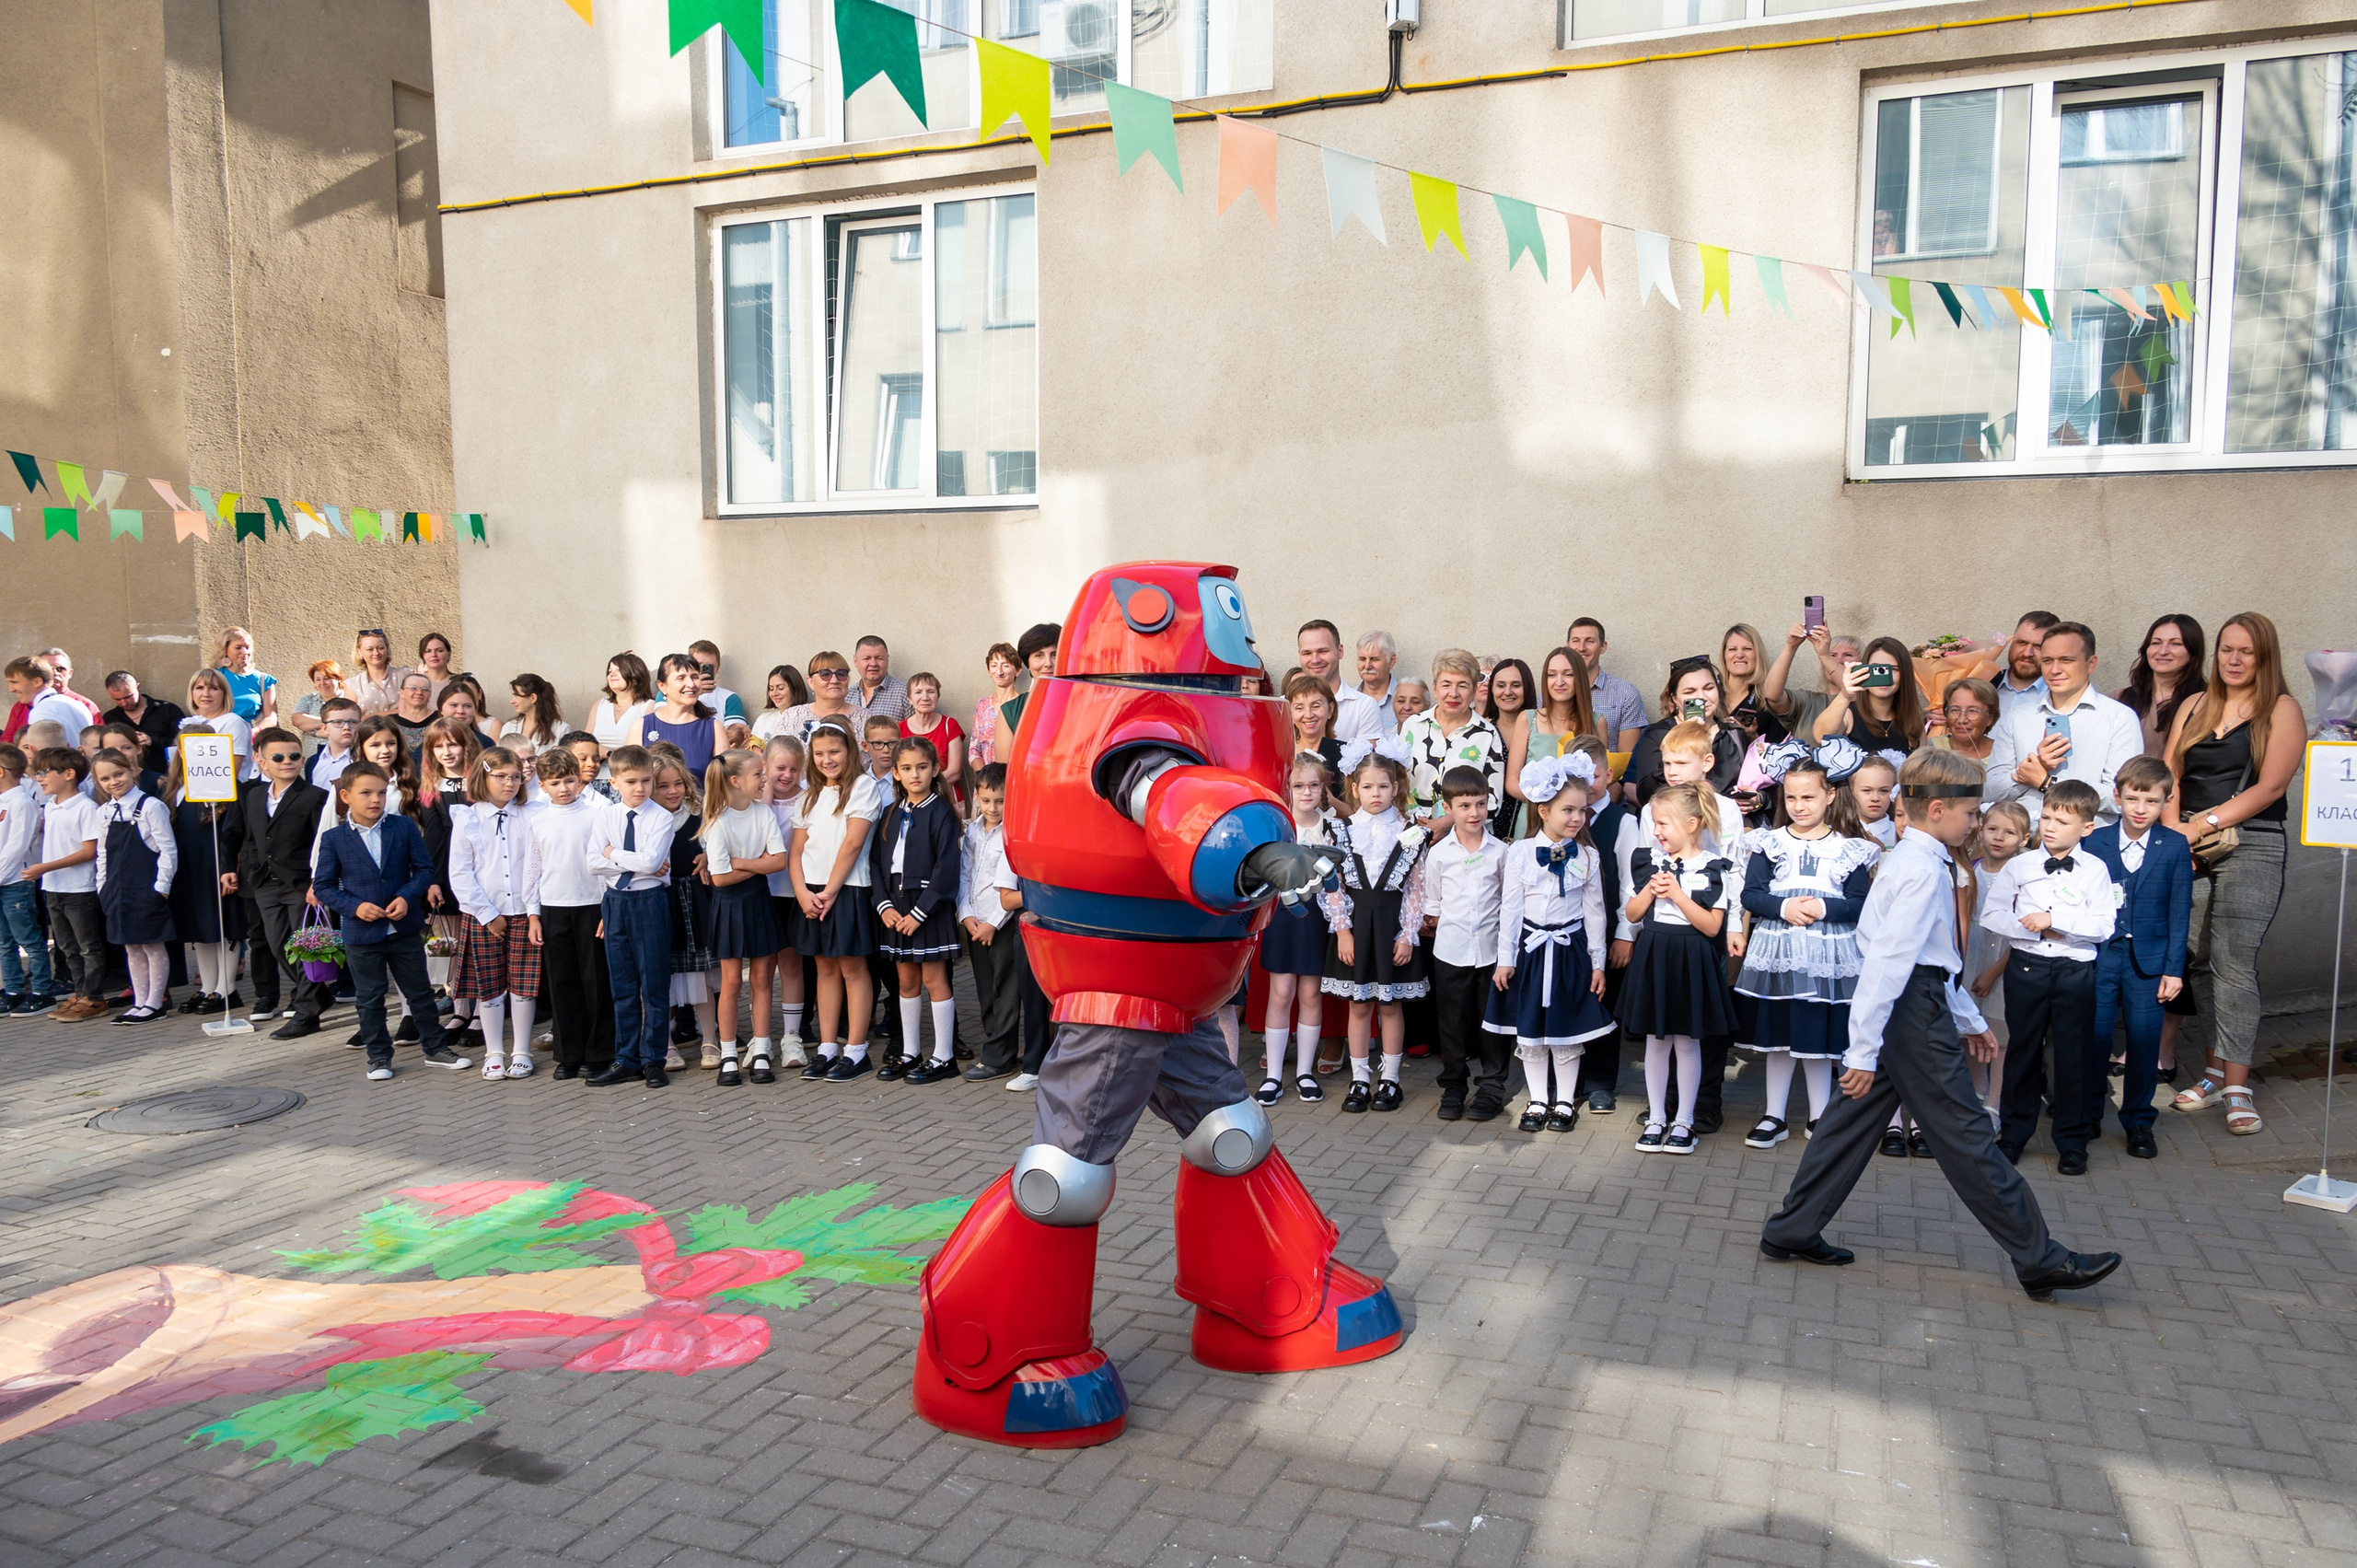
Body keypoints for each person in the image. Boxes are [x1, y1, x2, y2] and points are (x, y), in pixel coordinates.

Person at [1759, 748, 2119, 1299]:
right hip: (1908, 1014)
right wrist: (1859, 1051)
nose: (1977, 823)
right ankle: (2040, 1257)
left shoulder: (1920, 860)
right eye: (1971, 813)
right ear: (1936, 810)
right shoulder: (1921, 869)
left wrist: (1970, 1018)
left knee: (1847, 1125)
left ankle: (1791, 1229)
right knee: (1969, 1135)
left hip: (1910, 1005)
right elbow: (1888, 961)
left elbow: (1933, 958)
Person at [2165, 611, 2305, 1137]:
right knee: (2198, 959)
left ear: (2264, 656)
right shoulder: (2196, 705)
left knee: (2233, 960)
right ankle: (2215, 1071)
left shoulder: (2281, 708)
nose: (2235, 659)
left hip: (2253, 842)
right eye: (2227, 649)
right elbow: (2171, 771)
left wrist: (2200, 824)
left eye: (2246, 651)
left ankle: (2239, 1087)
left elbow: (2269, 788)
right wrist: (2173, 826)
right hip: (2189, 843)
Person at [1734, 749, 1879, 1148]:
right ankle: (1773, 1115)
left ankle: (1821, 1116)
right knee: (1778, 1037)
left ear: (1830, 795)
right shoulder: (1768, 842)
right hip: (1778, 954)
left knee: (1817, 1039)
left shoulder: (1851, 848)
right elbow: (1752, 895)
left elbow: (1858, 903)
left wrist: (1822, 907)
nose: (1799, 806)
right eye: (1792, 797)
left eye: (1809, 797)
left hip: (1825, 958)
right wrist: (1782, 906)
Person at [312, 761, 471, 1078]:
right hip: (361, 932)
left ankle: (435, 1048)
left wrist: (407, 896)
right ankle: (379, 1056)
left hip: (403, 926)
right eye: (366, 793)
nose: (375, 799)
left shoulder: (403, 827)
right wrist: (354, 907)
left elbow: (424, 869)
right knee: (370, 998)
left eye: (382, 793)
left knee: (421, 992)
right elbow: (323, 886)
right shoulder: (334, 839)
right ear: (345, 796)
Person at [1485, 754, 1615, 1133]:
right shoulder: (1520, 853)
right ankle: (1538, 1097)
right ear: (1543, 811)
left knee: (1566, 1029)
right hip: (1530, 950)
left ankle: (1564, 1101)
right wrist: (1505, 959)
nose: (1576, 818)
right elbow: (1510, 908)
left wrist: (1598, 963)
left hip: (1570, 951)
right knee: (1532, 1030)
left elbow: (1595, 914)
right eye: (1568, 810)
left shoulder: (1588, 856)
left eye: (1582, 811)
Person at [1618, 783, 1737, 1156]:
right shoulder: (1647, 861)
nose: (1657, 832)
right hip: (1655, 952)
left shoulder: (1715, 868)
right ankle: (1656, 1116)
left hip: (1692, 956)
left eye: (1663, 824)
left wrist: (1679, 895)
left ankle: (1685, 1118)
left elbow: (1712, 927)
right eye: (1654, 824)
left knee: (1687, 1042)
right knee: (1656, 1040)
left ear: (1691, 824)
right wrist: (1650, 892)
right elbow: (1633, 915)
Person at [2084, 756, 2192, 1161]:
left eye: (2151, 800)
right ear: (2117, 797)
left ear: (2166, 801)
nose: (2141, 808)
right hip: (2101, 954)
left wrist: (2173, 969)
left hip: (2150, 960)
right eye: (2132, 798)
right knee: (2094, 1036)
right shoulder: (2095, 841)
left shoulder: (2174, 845)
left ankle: (2139, 1121)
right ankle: (2090, 1112)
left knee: (2145, 1042)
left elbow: (2180, 909)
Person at [1320, 738, 1428, 1113]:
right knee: (1359, 1005)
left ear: (1395, 788)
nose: (1376, 793)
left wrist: (1408, 935)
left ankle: (1391, 1079)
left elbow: (1416, 887)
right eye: (1367, 786)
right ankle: (1360, 1079)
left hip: (1391, 926)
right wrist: (1343, 931)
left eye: (1383, 786)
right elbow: (1332, 884)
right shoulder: (1342, 829)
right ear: (1354, 788)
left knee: (1390, 1006)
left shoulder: (1411, 830)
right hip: (1356, 927)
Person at [221, 728, 331, 1037]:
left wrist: (317, 882)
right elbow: (247, 836)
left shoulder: (314, 797)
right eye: (279, 757)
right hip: (263, 883)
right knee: (278, 945)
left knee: (306, 947)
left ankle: (308, 1013)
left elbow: (322, 844)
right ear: (261, 761)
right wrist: (235, 868)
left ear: (302, 759)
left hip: (300, 884)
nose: (287, 762)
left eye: (294, 756)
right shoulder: (254, 795)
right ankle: (318, 994)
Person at [792, 718, 884, 1080]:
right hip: (812, 893)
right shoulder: (808, 795)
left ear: (850, 751)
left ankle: (857, 1050)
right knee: (824, 969)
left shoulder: (863, 787)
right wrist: (802, 892)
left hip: (847, 890)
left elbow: (853, 843)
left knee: (852, 968)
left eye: (834, 752)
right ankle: (828, 1047)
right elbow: (796, 851)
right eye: (819, 754)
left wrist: (830, 890)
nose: (827, 760)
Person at [447, 748, 543, 1081]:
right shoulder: (468, 818)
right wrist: (487, 914)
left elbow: (536, 866)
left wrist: (533, 911)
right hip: (484, 915)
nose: (509, 783)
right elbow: (460, 873)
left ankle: (521, 1050)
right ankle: (494, 1051)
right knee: (489, 986)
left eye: (515, 777)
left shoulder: (533, 814)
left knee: (523, 985)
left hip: (524, 913)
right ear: (483, 777)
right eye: (500, 776)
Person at [870, 737, 963, 1084]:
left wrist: (919, 912)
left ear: (936, 769)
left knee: (934, 979)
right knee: (905, 979)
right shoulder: (890, 813)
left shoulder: (942, 813)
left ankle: (944, 1056)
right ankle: (910, 1051)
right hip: (896, 908)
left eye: (922, 767)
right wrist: (884, 906)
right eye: (906, 769)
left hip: (927, 909)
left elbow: (946, 870)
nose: (915, 775)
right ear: (895, 773)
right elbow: (877, 864)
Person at [1985, 622, 2143, 826]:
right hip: (2023, 843)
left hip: (2088, 846)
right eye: (2048, 661)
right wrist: (2029, 771)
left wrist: (2048, 784)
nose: (2055, 670)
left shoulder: (2119, 717)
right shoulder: (2018, 717)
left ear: (2091, 664)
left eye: (2066, 660)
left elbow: (2123, 799)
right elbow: (1989, 792)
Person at [585, 745, 676, 1087]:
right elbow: (593, 863)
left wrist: (612, 852)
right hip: (615, 902)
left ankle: (654, 1059)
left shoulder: (661, 817)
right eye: (632, 781)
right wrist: (631, 860)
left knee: (653, 984)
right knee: (622, 985)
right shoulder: (605, 817)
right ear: (614, 782)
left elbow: (652, 864)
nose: (640, 789)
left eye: (647, 781)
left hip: (649, 901)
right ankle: (626, 1059)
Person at [1255, 753, 1342, 1104]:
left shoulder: (1334, 827)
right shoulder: (1278, 825)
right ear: (1286, 788)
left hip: (1318, 918)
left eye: (1313, 785)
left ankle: (1304, 1072)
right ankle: (1273, 1075)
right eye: (1298, 785)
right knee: (1280, 993)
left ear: (1323, 788)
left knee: (1310, 994)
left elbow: (1339, 882)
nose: (1306, 792)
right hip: (1282, 916)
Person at [700, 746, 790, 1086]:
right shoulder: (717, 821)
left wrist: (739, 862)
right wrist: (757, 864)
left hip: (758, 901)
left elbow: (779, 860)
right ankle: (727, 1055)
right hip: (729, 904)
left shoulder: (762, 813)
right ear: (735, 781)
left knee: (764, 980)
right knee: (732, 982)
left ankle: (762, 1049)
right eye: (758, 775)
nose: (764, 779)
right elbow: (720, 879)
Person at [523, 749, 612, 1082]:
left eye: (570, 780)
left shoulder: (595, 816)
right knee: (562, 983)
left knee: (596, 982)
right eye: (556, 782)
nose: (564, 788)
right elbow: (532, 869)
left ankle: (599, 1051)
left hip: (591, 905)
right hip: (554, 908)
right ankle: (568, 1053)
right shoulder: (538, 819)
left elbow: (606, 867)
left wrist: (607, 907)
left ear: (579, 779)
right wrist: (533, 914)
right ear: (543, 785)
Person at [91, 748, 178, 1024]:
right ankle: (139, 1001)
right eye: (105, 779)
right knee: (131, 947)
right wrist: (102, 887)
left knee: (152, 945)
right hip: (117, 889)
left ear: (131, 770)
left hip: (146, 886)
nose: (113, 782)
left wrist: (161, 885)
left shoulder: (150, 806)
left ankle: (155, 1002)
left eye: (118, 774)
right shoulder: (104, 812)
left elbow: (168, 849)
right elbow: (103, 853)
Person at [25, 749, 105, 1020]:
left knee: (87, 946)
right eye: (37, 773)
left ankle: (93, 997)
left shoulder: (85, 807)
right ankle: (79, 991)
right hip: (54, 887)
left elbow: (88, 851)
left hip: (79, 889)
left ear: (69, 774)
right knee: (68, 947)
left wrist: (45, 867)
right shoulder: (52, 806)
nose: (39, 779)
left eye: (45, 772)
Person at [1964, 800, 2031, 1120]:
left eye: (2009, 832)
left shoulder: (2021, 877)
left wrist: (1994, 971)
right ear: (1980, 828)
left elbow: (2020, 933)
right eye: (1992, 829)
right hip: (1970, 955)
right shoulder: (1971, 869)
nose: (1998, 838)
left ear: (2024, 839)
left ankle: (1995, 1102)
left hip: (2003, 961)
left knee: (2000, 1038)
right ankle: (1975, 1089)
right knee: (1969, 1028)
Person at [958, 762, 1022, 1083]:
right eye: (986, 801)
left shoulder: (1013, 833)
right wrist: (966, 914)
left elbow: (1013, 885)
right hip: (976, 920)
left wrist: (993, 923)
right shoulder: (972, 831)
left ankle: (1000, 1056)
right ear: (977, 798)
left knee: (1005, 989)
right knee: (985, 988)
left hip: (1002, 920)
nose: (992, 808)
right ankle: (995, 1044)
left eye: (1000, 801)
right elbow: (965, 875)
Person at [651, 752, 714, 1070]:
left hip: (694, 900)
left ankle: (710, 1038)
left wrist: (707, 856)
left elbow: (716, 843)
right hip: (661, 900)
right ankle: (666, 1042)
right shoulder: (647, 818)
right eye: (663, 786)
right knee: (663, 973)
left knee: (699, 971)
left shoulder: (698, 814)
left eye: (678, 784)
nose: (672, 791)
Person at [1399, 649, 1504, 826]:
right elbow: (1396, 781)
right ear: (1434, 688)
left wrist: (1447, 822)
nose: (1453, 693)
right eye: (1446, 684)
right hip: (1411, 829)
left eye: (1462, 685)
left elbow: (1492, 802)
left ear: (1474, 690)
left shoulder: (1487, 734)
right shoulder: (1413, 726)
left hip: (1464, 837)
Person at [1628, 656, 1745, 804]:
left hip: (1726, 821)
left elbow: (1752, 783)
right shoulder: (1658, 734)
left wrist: (1759, 799)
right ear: (1674, 699)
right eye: (1690, 692)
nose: (1702, 697)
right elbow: (1645, 793)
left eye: (1709, 688)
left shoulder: (1733, 734)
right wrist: (1683, 737)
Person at [759, 737, 809, 1062]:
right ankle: (761, 1038)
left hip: (793, 893)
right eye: (779, 768)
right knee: (762, 969)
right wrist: (763, 795)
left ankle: (792, 1035)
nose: (786, 775)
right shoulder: (753, 801)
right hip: (761, 893)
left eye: (793, 769)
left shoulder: (807, 800)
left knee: (791, 964)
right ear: (764, 767)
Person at [0, 744, 57, 1014]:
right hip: (2, 881)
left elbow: (17, 846)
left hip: (15, 882)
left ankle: (41, 990)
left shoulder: (22, 802)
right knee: (4, 941)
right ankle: (12, 988)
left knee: (30, 940)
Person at [2120, 613, 2207, 759]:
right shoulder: (2120, 699)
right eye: (2156, 643)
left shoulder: (2209, 701)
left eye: (2175, 644)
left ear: (2193, 651)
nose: (2163, 651)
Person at [626, 654, 726, 780]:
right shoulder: (641, 727)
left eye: (695, 677)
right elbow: (629, 777)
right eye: (681, 678)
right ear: (662, 686)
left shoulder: (713, 727)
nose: (691, 684)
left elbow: (724, 782)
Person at [1293, 621, 1383, 744]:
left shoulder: (1364, 706)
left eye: (1322, 651)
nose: (1315, 660)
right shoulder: (1283, 706)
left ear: (1340, 651)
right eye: (1307, 653)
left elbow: (1367, 761)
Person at [1565, 619, 1645, 752]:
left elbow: (1626, 760)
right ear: (1567, 646)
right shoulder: (1551, 694)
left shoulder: (1626, 694)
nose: (1581, 648)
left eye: (1590, 641)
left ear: (1603, 647)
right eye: (1575, 641)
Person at [1482, 658, 1536, 838]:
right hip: (1487, 827)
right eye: (1500, 685)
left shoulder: (1541, 730)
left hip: (1531, 822)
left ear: (1527, 688)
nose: (1507, 692)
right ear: (1492, 690)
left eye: (1516, 685)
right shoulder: (1482, 732)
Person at [900, 673, 967, 810]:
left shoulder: (950, 725)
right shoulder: (899, 729)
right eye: (918, 692)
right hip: (911, 803)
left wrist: (921, 788)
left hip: (947, 801)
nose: (925, 697)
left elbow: (954, 772)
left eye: (930, 691)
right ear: (910, 699)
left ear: (937, 696)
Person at [100, 672, 184, 773]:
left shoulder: (167, 709)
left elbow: (184, 744)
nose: (124, 703)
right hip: (127, 778)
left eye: (128, 697)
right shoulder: (110, 718)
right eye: (117, 699)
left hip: (169, 775)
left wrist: (152, 741)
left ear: (138, 687)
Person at [993, 623, 1061, 748]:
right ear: (1028, 663)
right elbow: (1004, 766)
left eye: (1055, 655)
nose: (1048, 663)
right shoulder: (1011, 711)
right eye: (1039, 655)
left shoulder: (1082, 704)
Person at [776, 649, 859, 745]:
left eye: (841, 674)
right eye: (825, 674)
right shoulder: (790, 717)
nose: (834, 680)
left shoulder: (865, 719)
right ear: (810, 681)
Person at [1995, 611, 2061, 718]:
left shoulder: (2061, 697)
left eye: (2038, 647)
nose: (2027, 653)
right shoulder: (1986, 682)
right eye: (2022, 643)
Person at [7, 656, 88, 741]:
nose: (11, 689)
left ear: (37, 682)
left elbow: (44, 753)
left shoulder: (41, 711)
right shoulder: (78, 705)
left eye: (14, 682)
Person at [970, 643, 1023, 770]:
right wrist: (984, 777)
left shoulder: (1023, 704)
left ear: (1018, 670)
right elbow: (974, 748)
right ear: (989, 671)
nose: (999, 672)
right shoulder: (982, 705)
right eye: (994, 666)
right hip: (985, 783)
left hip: (1014, 778)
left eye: (1005, 666)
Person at [1283, 671, 1343, 784]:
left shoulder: (1345, 756)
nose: (1308, 715)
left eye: (1316, 706)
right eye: (1299, 708)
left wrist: (1332, 801)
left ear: (1330, 709)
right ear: (1289, 713)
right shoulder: (1283, 754)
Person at [1929, 677, 2000, 771]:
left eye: (1972, 711)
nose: (1962, 720)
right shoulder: (1931, 750)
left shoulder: (2003, 753)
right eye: (1955, 710)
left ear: (1990, 718)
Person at [589, 654, 656, 749]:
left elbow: (647, 747)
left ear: (635, 678)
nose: (612, 674)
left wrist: (609, 752)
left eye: (619, 670)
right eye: (610, 671)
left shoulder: (649, 707)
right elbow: (585, 742)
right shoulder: (599, 705)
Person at [215, 627, 277, 725]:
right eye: (238, 647)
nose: (244, 652)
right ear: (225, 650)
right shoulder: (215, 678)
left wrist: (256, 731)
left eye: (247, 647)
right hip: (223, 736)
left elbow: (271, 717)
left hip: (254, 736)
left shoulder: (264, 680)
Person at [846, 635, 909, 727]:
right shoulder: (847, 696)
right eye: (867, 658)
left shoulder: (906, 693)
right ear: (855, 661)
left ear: (887, 659)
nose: (873, 664)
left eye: (879, 658)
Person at [302, 698, 363, 789]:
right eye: (338, 722)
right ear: (324, 728)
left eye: (353, 722)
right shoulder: (313, 762)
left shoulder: (364, 759)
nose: (347, 727)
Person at [288, 660, 346, 749]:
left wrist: (314, 731)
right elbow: (297, 720)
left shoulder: (350, 699)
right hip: (313, 760)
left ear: (339, 679)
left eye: (326, 678)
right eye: (318, 679)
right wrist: (335, 722)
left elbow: (352, 727)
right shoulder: (308, 700)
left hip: (345, 757)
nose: (322, 683)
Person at [500, 674, 564, 750]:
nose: (512, 701)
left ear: (533, 698)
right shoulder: (509, 727)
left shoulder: (560, 729)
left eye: (516, 695)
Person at [1353, 631, 1401, 734]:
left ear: (1392, 661)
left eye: (1374, 659)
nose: (1367, 666)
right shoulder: (1348, 700)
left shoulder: (1406, 702)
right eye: (1362, 659)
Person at [348, 629, 402, 714]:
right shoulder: (352, 685)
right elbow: (350, 718)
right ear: (359, 652)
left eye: (380, 648)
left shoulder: (405, 675)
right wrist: (392, 713)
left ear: (387, 649)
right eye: (370, 649)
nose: (376, 653)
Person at [752, 665, 811, 744]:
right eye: (771, 689)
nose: (774, 693)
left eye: (780, 688)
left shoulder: (810, 720)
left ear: (795, 689)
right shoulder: (763, 720)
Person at [41, 649, 101, 726]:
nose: (54, 673)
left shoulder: (86, 706)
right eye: (48, 669)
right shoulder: (24, 706)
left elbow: (98, 736)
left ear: (70, 673)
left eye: (60, 669)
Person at [436, 679, 499, 748]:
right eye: (453, 705)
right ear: (440, 709)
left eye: (467, 706)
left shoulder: (486, 743)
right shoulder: (429, 743)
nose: (460, 711)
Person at [388, 672, 438, 755]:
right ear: (402, 693)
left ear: (430, 695)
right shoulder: (390, 722)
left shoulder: (440, 719)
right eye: (413, 688)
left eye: (425, 689)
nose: (419, 692)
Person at [407, 632, 460, 707]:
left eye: (439, 650)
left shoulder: (459, 683)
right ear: (422, 656)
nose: (433, 655)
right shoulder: (414, 684)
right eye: (428, 651)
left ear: (449, 654)